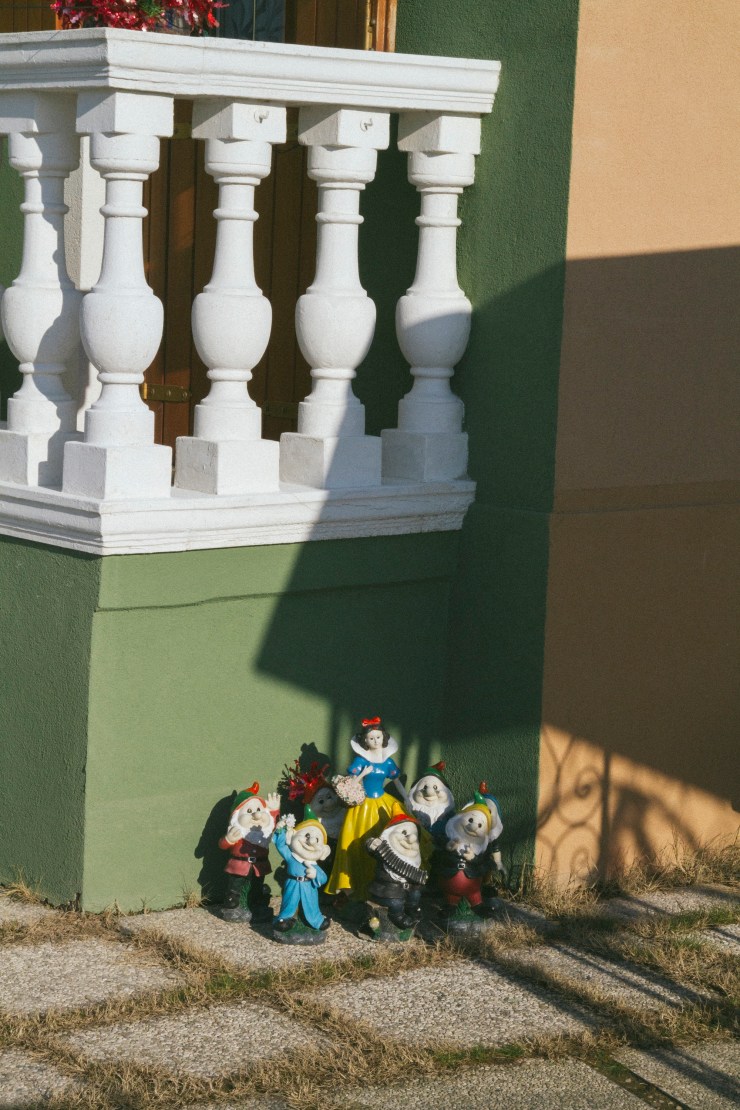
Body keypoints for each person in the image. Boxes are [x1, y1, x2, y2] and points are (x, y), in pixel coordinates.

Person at [325, 716, 402, 901]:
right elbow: (349, 783)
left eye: (378, 737)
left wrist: (406, 799)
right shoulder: (361, 761)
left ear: (383, 738)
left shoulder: (388, 763)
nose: (375, 741)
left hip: (383, 802)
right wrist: (362, 775)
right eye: (371, 738)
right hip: (363, 805)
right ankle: (353, 889)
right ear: (365, 741)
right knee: (357, 841)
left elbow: (397, 781)